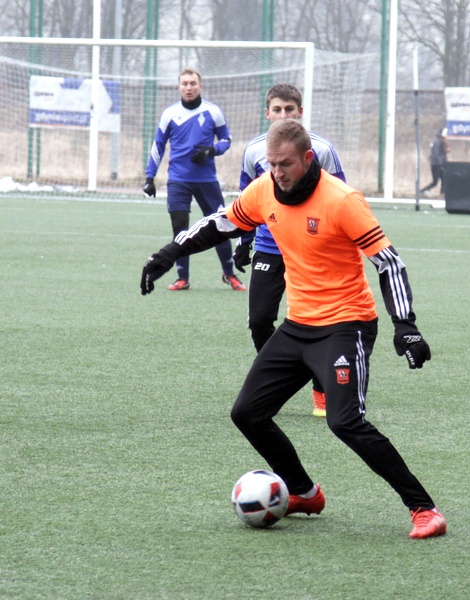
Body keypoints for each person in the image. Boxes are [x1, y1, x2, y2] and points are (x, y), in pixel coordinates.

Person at [141, 119, 446, 539]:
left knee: (345, 422)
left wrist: (406, 326)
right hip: (298, 325)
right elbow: (220, 223)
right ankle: (303, 492)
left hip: (346, 326)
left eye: (285, 164)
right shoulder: (264, 189)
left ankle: (424, 509)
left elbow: (388, 262)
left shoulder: (342, 201)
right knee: (247, 413)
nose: (277, 173)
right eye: (271, 164)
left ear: (307, 159)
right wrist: (167, 253)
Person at [233, 83, 345, 418]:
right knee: (259, 320)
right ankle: (275, 380)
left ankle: (322, 389)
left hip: (312, 250)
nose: (283, 115)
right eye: (277, 109)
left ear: (300, 112)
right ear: (267, 113)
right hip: (269, 247)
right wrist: (243, 241)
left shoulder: (321, 149)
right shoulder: (254, 151)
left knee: (318, 322)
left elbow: (341, 198)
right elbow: (244, 200)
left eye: (290, 110)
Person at [142, 67, 245, 292]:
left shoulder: (213, 112)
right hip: (178, 180)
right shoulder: (169, 114)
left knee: (221, 226)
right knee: (180, 229)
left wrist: (211, 151)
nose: (189, 87)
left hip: (207, 180)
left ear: (200, 86)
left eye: (193, 83)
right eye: (185, 83)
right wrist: (150, 177)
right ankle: (182, 278)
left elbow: (227, 139)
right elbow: (158, 146)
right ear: (179, 87)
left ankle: (229, 274)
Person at [419, 129, 448, 195]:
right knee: (436, 182)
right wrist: (441, 164)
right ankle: (422, 192)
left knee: (443, 180)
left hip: (438, 164)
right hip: (436, 165)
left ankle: (443, 194)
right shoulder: (438, 143)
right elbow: (436, 154)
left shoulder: (441, 142)